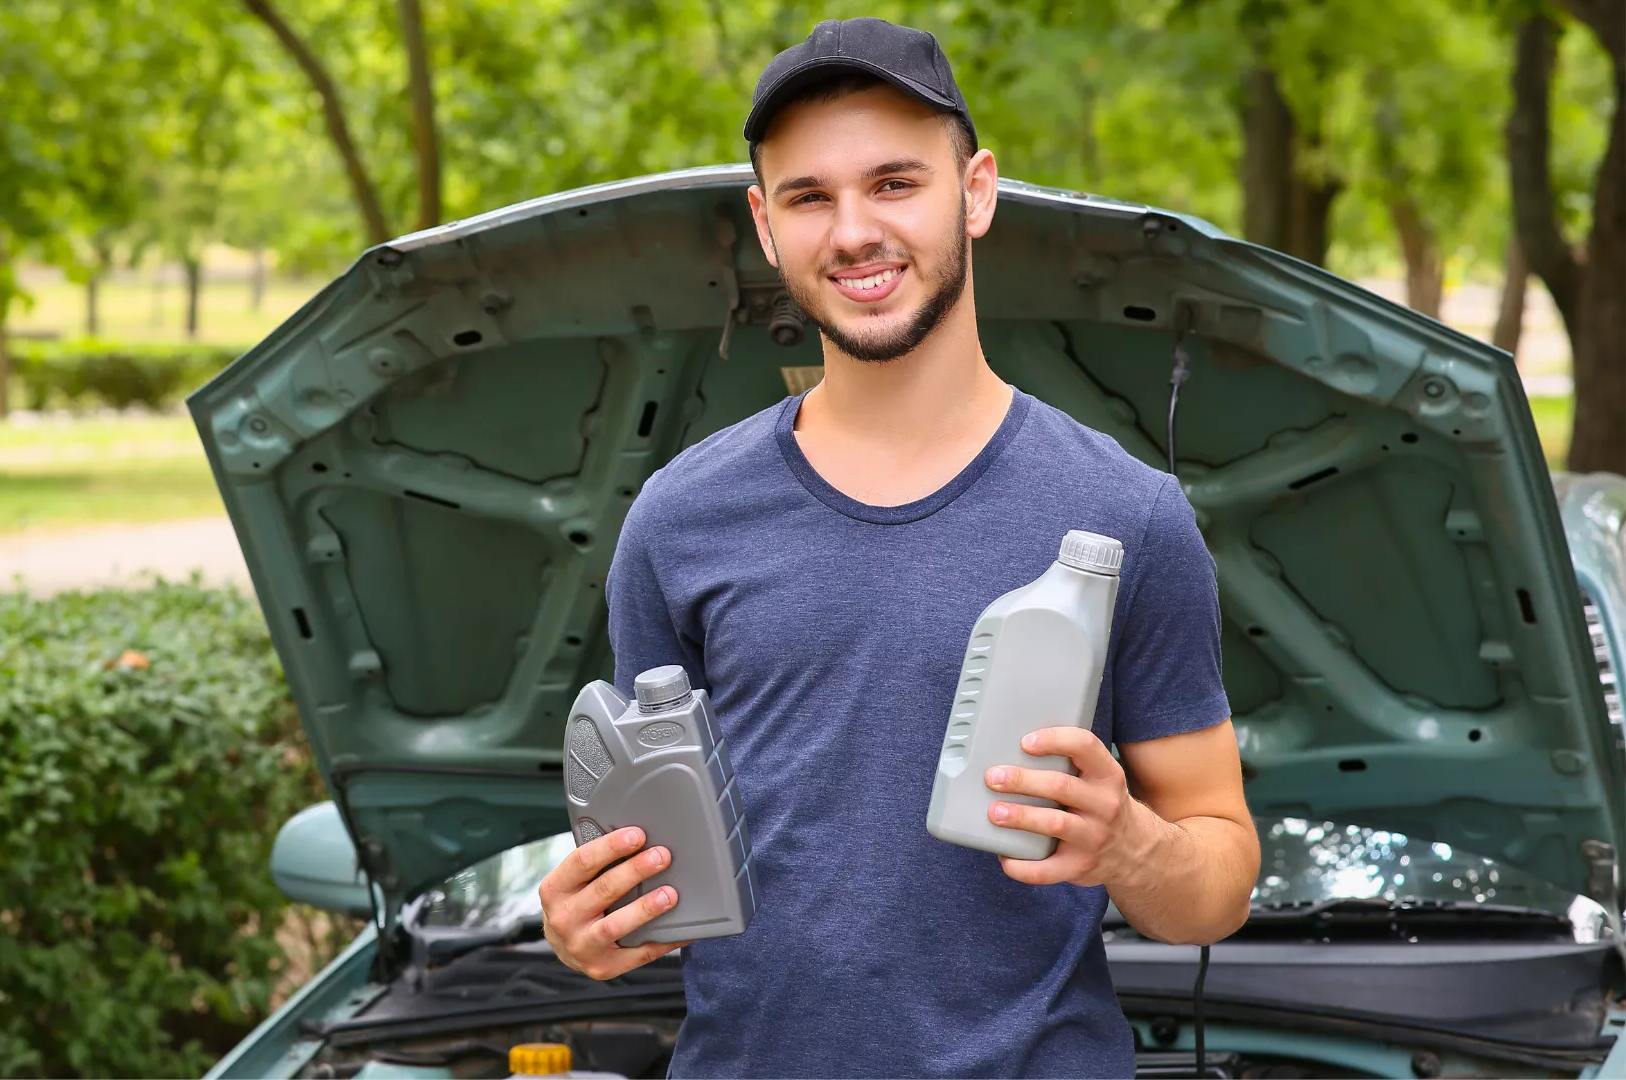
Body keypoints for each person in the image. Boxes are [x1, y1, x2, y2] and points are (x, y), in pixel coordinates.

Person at [537, 17, 1260, 1078]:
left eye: (893, 183)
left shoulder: (1124, 515)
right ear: (764, 224)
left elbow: (1222, 875)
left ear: (974, 192)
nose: (853, 231)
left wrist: (1131, 847)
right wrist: (592, 917)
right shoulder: (678, 519)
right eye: (809, 196)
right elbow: (652, 845)